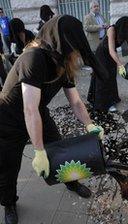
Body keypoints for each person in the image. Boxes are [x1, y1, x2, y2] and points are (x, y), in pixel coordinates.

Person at [0, 15, 106, 224]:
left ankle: (71, 182)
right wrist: (39, 151)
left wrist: (89, 124)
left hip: (37, 111)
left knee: (59, 148)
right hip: (9, 118)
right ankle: (9, 202)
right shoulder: (33, 58)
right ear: (58, 39)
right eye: (71, 45)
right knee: (8, 166)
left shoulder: (62, 61)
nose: (73, 51)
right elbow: (29, 109)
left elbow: (75, 101)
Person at [87, 16, 128, 112]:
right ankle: (104, 103)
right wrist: (120, 65)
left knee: (111, 76)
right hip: (102, 53)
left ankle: (112, 99)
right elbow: (111, 51)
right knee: (104, 76)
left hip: (111, 54)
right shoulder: (112, 29)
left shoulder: (124, 33)